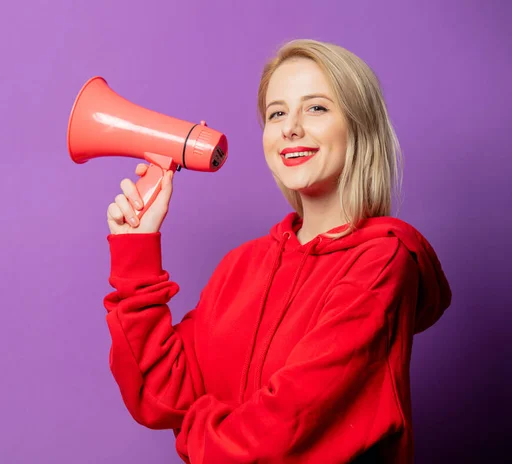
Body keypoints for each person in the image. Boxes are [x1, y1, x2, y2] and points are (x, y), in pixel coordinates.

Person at [103, 39, 452, 464]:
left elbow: (283, 433)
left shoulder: (382, 262)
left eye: (317, 108)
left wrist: (193, 434)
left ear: (360, 126)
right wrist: (135, 249)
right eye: (277, 113)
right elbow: (159, 394)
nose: (291, 127)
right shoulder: (240, 266)